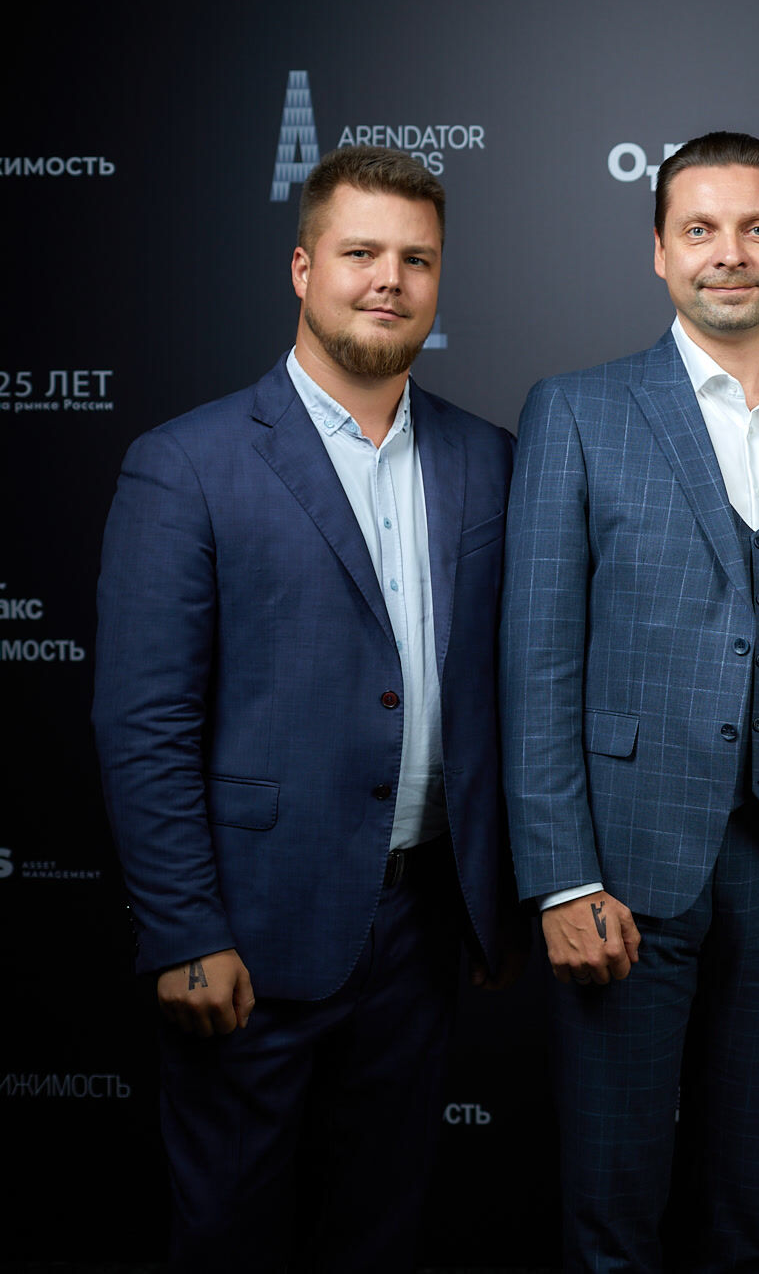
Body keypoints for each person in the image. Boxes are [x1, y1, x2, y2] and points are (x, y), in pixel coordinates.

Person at [91, 145, 523, 1272]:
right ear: (301, 268)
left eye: (416, 259)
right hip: (249, 929)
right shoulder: (185, 465)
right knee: (229, 1236)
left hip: (424, 926)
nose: (389, 280)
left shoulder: (490, 460)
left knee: (377, 1235)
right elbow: (143, 724)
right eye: (360, 253)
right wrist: (186, 931)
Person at [501, 130, 759, 1274]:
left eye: (756, 230)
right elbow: (536, 659)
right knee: (611, 1207)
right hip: (622, 868)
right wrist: (561, 877)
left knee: (743, 1204)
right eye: (701, 230)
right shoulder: (578, 410)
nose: (730, 254)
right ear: (660, 252)